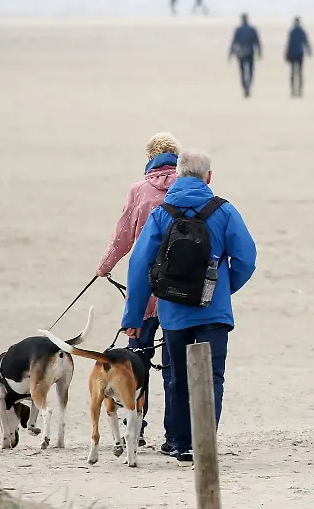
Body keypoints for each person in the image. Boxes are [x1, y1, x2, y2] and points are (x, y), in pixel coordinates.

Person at [120, 149, 257, 467]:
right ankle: (203, 442)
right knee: (213, 376)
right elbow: (247, 259)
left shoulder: (162, 212)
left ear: (179, 176)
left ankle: (180, 442)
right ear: (209, 176)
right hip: (213, 310)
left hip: (173, 309)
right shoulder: (223, 210)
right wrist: (223, 288)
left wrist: (134, 316)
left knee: (178, 376)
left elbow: (139, 265)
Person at [97, 132, 181, 447]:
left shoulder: (139, 190)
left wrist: (104, 267)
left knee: (135, 361)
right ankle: (174, 435)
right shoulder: (189, 188)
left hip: (144, 287)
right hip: (179, 290)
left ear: (149, 158)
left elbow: (123, 236)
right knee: (174, 365)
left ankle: (137, 428)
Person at [229, 13, 262, 98]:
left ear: (241, 19)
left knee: (242, 71)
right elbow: (257, 42)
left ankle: (245, 87)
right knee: (250, 70)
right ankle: (248, 86)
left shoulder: (238, 30)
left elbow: (233, 42)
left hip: (241, 53)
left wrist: (230, 54)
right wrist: (259, 52)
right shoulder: (252, 29)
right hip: (250, 52)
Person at [285, 17, 312, 98]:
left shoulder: (292, 31)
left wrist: (286, 54)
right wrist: (309, 51)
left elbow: (288, 44)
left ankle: (293, 90)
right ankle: (299, 91)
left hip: (293, 53)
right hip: (300, 53)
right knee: (300, 72)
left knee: (293, 72)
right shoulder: (302, 31)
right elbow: (306, 41)